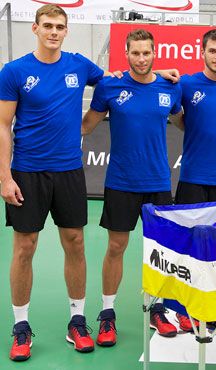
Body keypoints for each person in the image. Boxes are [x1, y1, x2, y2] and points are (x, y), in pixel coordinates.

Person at [0, 4, 110, 360]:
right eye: (47, 25)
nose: (53, 31)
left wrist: (89, 122)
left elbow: (113, 83)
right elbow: (3, 125)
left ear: (66, 31)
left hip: (69, 171)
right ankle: (20, 326)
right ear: (34, 29)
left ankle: (77, 321)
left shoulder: (79, 65)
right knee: (25, 247)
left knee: (75, 242)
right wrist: (5, 176)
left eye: (60, 26)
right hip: (28, 172)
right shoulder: (15, 71)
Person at [81, 29, 182, 347]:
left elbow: (185, 122)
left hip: (158, 183)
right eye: (135, 53)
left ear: (155, 53)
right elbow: (86, 126)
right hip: (121, 182)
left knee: (160, 252)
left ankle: (159, 310)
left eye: (146, 52)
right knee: (115, 248)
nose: (141, 58)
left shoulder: (170, 87)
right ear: (126, 54)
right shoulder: (110, 86)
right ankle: (108, 316)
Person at [170, 28, 216, 332]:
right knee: (188, 245)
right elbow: (176, 114)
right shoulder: (187, 84)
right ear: (202, 52)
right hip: (192, 178)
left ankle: (213, 305)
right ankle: (185, 308)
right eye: (212, 51)